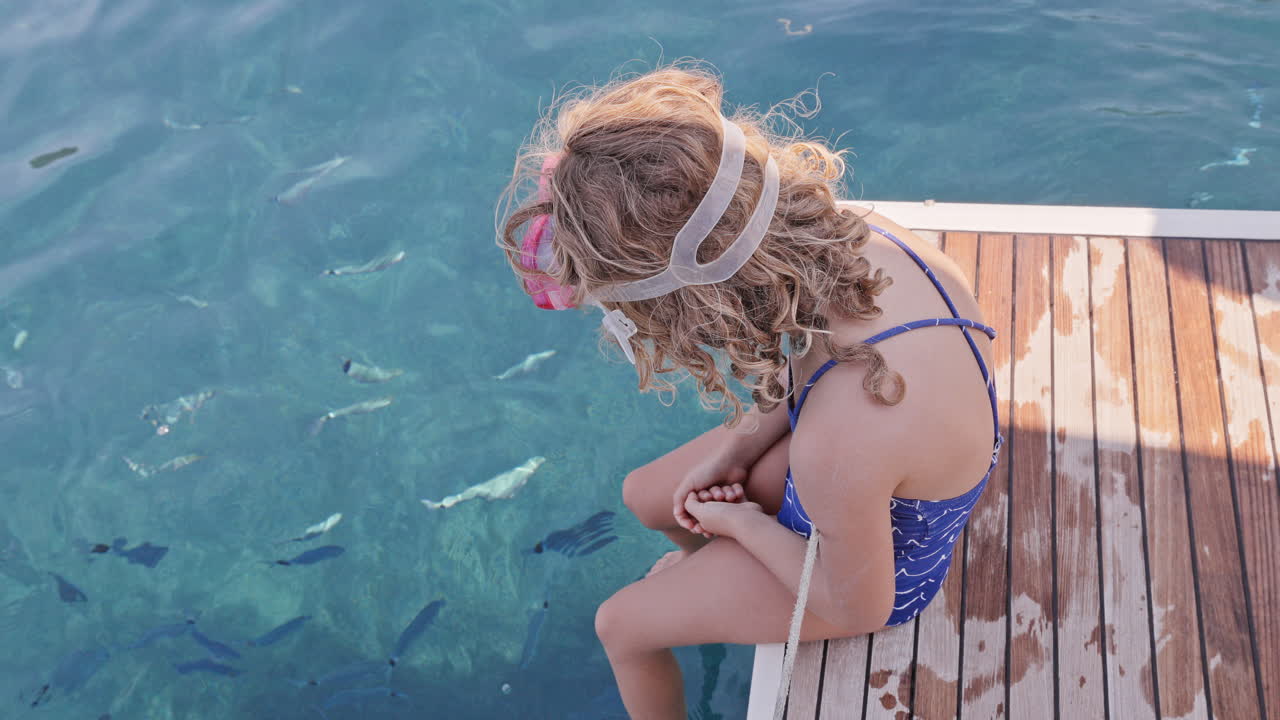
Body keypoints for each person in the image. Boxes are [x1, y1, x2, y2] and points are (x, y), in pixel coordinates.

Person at [497, 63, 1001, 720]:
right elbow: (816, 370)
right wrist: (739, 451)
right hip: (854, 477)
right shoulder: (863, 241)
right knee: (646, 495)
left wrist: (740, 523)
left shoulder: (838, 443)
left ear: (694, 304)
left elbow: (858, 604)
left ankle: (709, 584)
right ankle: (713, 581)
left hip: (884, 567)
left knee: (619, 625)